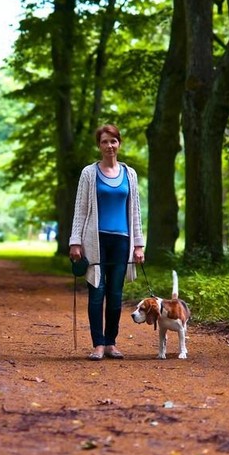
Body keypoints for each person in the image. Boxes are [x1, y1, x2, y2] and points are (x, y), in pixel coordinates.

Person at [68, 123, 145, 360]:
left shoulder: (129, 174)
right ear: (99, 146)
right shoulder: (89, 174)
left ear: (119, 144)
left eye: (113, 141)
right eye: (104, 142)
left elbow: (136, 212)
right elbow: (80, 210)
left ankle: (111, 342)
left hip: (122, 241)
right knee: (96, 292)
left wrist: (138, 244)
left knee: (115, 294)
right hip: (95, 240)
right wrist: (75, 241)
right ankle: (98, 345)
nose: (109, 146)